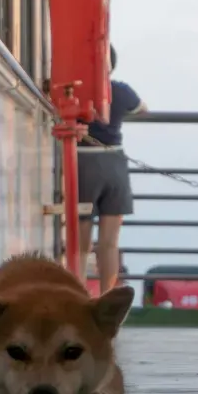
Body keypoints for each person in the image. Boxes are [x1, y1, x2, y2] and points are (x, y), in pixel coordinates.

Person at [75, 45, 147, 293]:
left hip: (82, 163)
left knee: (80, 242)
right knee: (109, 243)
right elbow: (142, 108)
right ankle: (106, 296)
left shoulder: (76, 92)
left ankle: (78, 293)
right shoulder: (121, 91)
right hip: (114, 163)